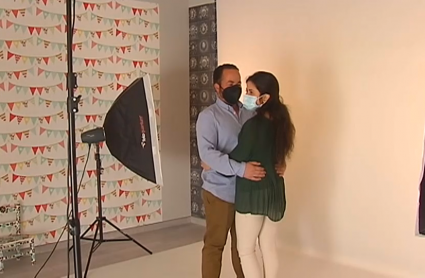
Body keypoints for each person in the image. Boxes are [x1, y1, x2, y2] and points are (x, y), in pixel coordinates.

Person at [196, 64, 267, 278]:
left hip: (246, 191)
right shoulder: (209, 117)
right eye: (230, 84)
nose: (236, 87)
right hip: (220, 192)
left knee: (244, 247)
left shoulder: (250, 113)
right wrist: (241, 169)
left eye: (238, 83)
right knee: (215, 245)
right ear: (217, 87)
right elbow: (207, 154)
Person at [229, 71, 295, 278]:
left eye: (250, 91)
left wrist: (218, 158)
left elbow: (239, 156)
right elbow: (279, 158)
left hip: (253, 193)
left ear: (264, 98)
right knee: (268, 247)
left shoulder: (253, 126)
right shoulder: (282, 124)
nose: (245, 95)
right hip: (275, 191)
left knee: (246, 251)